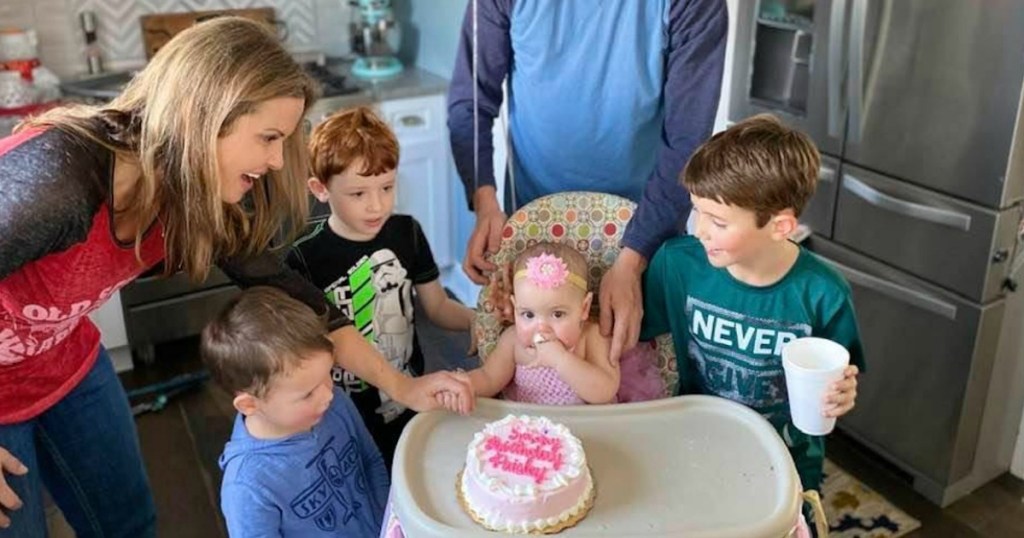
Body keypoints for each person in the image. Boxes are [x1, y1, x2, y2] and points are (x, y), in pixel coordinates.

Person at [0, 17, 469, 536]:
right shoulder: (59, 179)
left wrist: (403, 387)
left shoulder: (192, 196)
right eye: (268, 138)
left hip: (66, 363)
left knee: (127, 522)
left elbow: (309, 305)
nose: (274, 161)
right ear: (207, 114)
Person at [448, 0, 728, 362]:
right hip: (537, 233)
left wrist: (633, 259)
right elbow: (471, 102)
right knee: (531, 388)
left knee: (634, 387)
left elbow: (687, 142)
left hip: (644, 233)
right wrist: (485, 202)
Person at [639, 114, 864, 497]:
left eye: (718, 222)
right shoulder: (677, 265)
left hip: (788, 461)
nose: (700, 230)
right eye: (697, 210)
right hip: (695, 444)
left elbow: (843, 378)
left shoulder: (825, 294)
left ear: (779, 227)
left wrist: (843, 396)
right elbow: (634, 345)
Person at [286, 107, 476, 468]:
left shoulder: (407, 233)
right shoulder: (303, 260)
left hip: (408, 397)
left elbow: (437, 306)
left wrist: (476, 319)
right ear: (320, 189)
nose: (376, 205)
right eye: (358, 194)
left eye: (387, 187)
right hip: (339, 413)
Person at [203, 287, 389, 537]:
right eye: (307, 394)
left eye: (329, 375)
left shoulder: (335, 404)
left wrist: (388, 524)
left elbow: (371, 461)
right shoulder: (248, 485)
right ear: (250, 404)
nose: (328, 394)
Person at [438, 242, 621, 409]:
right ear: (515, 308)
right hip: (528, 431)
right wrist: (463, 384)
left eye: (557, 314)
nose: (541, 328)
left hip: (586, 429)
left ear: (584, 308)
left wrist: (561, 360)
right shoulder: (513, 341)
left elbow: (605, 391)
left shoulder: (590, 336)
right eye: (528, 315)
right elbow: (489, 378)